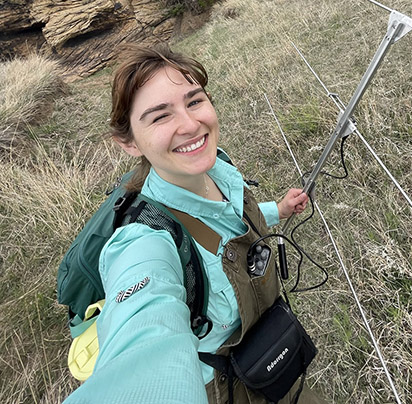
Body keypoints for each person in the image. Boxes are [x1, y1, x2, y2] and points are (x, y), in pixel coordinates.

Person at [63, 43, 325, 404]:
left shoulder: (219, 168)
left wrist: (276, 210)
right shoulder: (143, 242)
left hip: (275, 354)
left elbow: (227, 221)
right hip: (227, 389)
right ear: (128, 143)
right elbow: (143, 342)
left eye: (194, 101)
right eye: (160, 116)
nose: (190, 124)